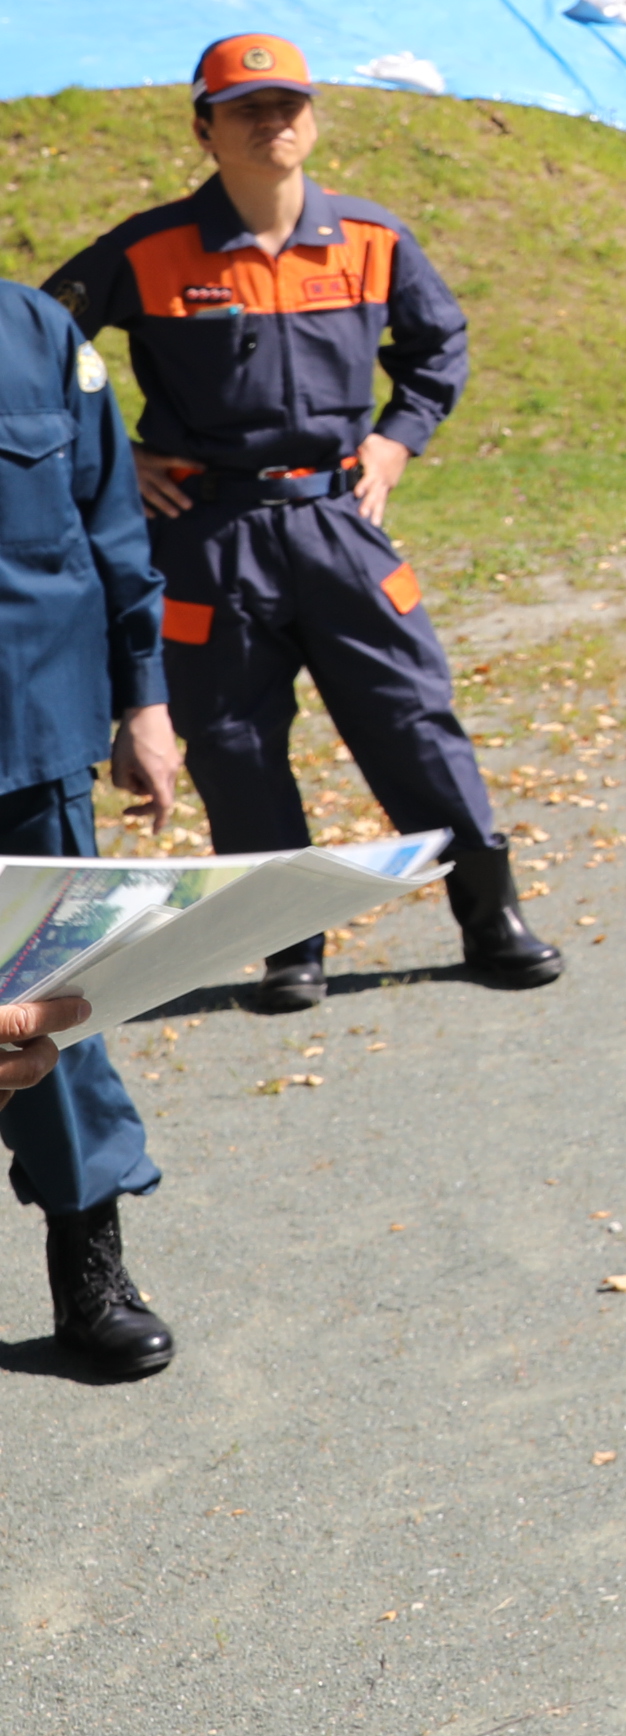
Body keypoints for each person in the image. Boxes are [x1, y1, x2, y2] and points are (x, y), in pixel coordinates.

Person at [42, 36, 556, 1012]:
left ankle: (490, 916)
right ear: (205, 128)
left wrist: (399, 439)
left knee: (414, 720)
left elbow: (438, 345)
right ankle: (288, 948)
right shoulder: (147, 251)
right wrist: (115, 458)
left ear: (312, 119)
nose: (272, 122)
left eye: (288, 104)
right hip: (205, 535)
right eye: (245, 109)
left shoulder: (372, 239)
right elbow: (33, 347)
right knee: (231, 741)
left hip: (338, 522)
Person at [1, 277, 186, 1377]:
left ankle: (90, 1266)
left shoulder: (37, 332)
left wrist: (145, 697)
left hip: (31, 732)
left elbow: (107, 519)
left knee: (54, 1017)